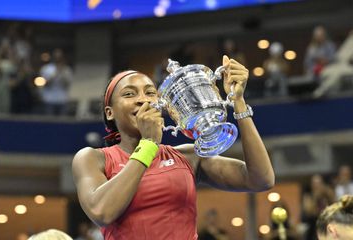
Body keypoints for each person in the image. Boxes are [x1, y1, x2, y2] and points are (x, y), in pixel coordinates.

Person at [72, 55, 275, 239]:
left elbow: (261, 179)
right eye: (129, 94)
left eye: (150, 92)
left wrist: (238, 101)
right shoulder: (92, 158)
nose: (142, 99)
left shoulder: (188, 157)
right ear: (110, 112)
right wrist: (149, 144)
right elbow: (102, 212)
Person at [302, 174, 335, 240]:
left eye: (319, 183)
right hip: (314, 224)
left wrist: (326, 193)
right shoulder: (308, 196)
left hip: (328, 223)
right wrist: (315, 197)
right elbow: (309, 211)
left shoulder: (327, 194)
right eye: (314, 183)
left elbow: (334, 203)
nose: (317, 186)